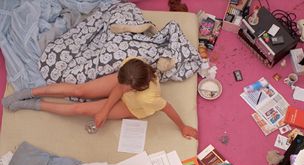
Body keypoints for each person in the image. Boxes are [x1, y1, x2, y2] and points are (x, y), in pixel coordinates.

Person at [2, 57, 198, 139]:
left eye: (125, 87)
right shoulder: (132, 66)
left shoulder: (149, 98)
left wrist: (182, 126)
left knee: (78, 109)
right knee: (79, 91)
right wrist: (104, 109)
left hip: (134, 109)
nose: (120, 87)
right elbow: (119, 88)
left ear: (136, 88)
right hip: (129, 86)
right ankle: (29, 92)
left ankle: (33, 105)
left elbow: (168, 107)